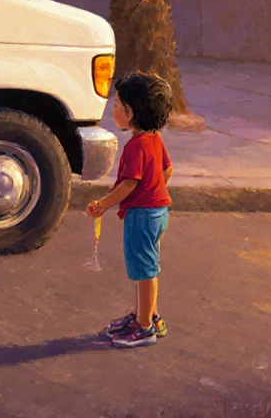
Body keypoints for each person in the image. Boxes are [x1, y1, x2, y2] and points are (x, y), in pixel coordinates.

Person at [87, 72, 174, 348]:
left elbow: (128, 184)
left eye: (117, 105)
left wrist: (103, 204)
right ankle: (148, 316)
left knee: (144, 270)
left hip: (142, 214)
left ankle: (145, 327)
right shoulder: (155, 139)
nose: (113, 109)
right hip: (159, 212)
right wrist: (155, 190)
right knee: (148, 266)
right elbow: (167, 170)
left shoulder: (135, 146)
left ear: (130, 112)